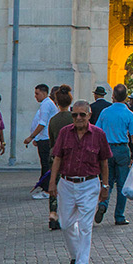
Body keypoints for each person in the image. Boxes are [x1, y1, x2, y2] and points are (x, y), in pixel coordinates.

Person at [48, 100, 111, 264]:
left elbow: (104, 162)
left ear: (89, 115)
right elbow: (57, 158)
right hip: (66, 183)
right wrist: (52, 182)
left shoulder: (98, 134)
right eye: (75, 114)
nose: (78, 118)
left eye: (82, 114)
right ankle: (76, 255)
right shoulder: (65, 133)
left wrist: (104, 185)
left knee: (85, 225)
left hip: (89, 183)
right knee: (66, 223)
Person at [94, 84, 133, 226]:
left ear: (112, 96)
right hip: (122, 149)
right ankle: (119, 215)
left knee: (107, 180)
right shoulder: (128, 114)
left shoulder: (105, 112)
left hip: (107, 148)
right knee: (122, 184)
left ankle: (104, 203)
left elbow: (97, 132)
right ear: (126, 97)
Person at [43, 86, 75, 230]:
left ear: (57, 102)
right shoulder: (73, 118)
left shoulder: (53, 120)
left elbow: (51, 140)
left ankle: (53, 213)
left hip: (55, 154)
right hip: (70, 156)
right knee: (69, 187)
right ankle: (66, 216)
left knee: (54, 184)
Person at [23, 83, 57, 199]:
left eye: (37, 93)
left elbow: (42, 123)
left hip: (46, 139)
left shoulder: (46, 105)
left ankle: (47, 190)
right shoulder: (46, 104)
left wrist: (31, 137)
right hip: (43, 138)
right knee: (45, 164)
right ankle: (44, 186)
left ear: (43, 93)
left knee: (46, 164)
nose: (35, 96)